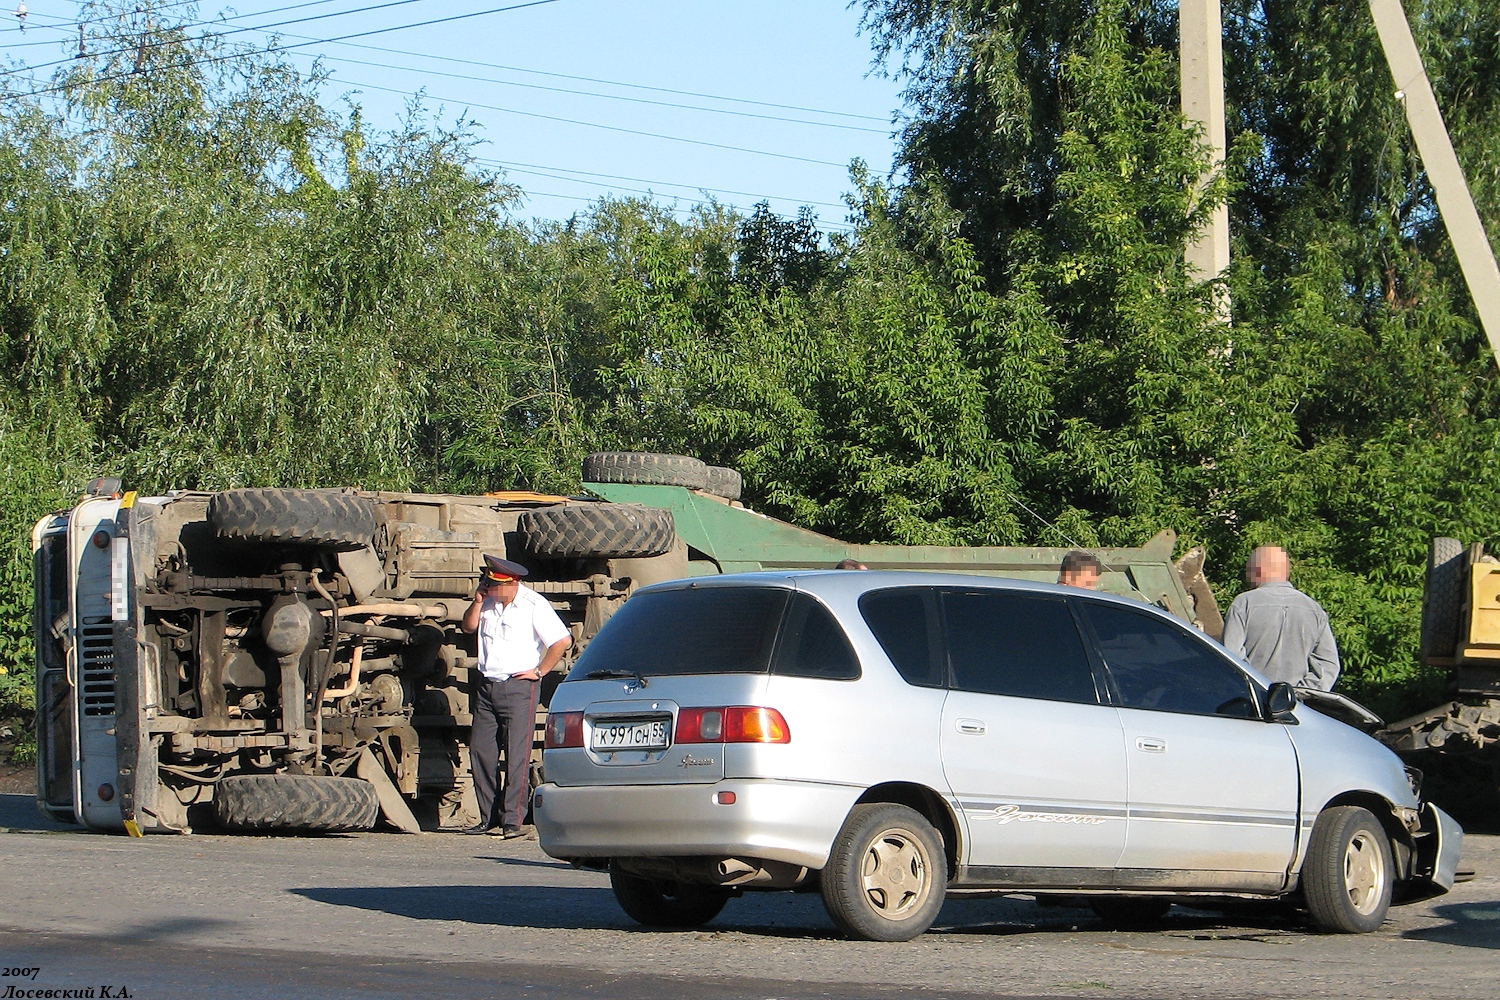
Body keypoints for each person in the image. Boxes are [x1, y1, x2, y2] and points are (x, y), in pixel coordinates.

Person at [461, 554, 572, 837]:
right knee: (481, 752)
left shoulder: (533, 605)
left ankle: (513, 820)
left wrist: (541, 671)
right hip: (488, 685)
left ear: (512, 583)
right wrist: (477, 602)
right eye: (489, 586)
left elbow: (562, 640)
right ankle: (488, 817)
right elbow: (468, 627)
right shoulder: (486, 602)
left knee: (516, 755)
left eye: (497, 587)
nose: (493, 591)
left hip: (519, 686)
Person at [1220, 545, 1339, 691]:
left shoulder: (1244, 603)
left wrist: (1256, 690)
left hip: (1251, 702)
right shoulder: (1314, 609)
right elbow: (1328, 664)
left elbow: (1231, 658)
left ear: (1257, 569)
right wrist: (1301, 693)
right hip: (1295, 708)